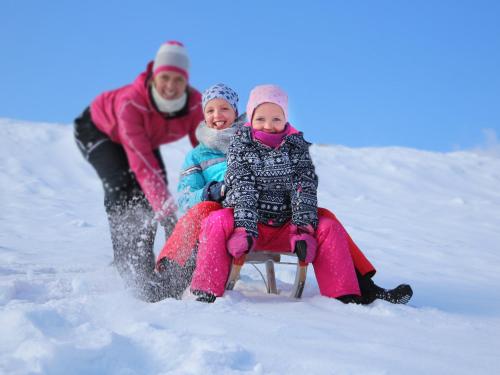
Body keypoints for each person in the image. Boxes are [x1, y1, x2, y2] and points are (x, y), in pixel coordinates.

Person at [189, 84, 413, 304]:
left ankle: (347, 294)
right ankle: (206, 290)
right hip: (245, 226)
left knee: (328, 226)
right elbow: (243, 188)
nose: (268, 125)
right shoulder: (240, 146)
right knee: (216, 220)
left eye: (276, 119)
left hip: (286, 227)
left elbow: (303, 188)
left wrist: (302, 231)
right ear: (250, 120)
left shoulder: (295, 147)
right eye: (260, 119)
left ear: (286, 119)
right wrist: (243, 230)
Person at [74, 41, 203, 302]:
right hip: (99, 130)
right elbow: (142, 165)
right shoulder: (131, 102)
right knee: (122, 185)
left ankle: (155, 263)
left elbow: (203, 148)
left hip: (143, 139)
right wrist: (167, 214)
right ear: (155, 75)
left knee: (157, 192)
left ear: (186, 81)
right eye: (164, 77)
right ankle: (129, 264)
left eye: (177, 80)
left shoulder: (194, 105)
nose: (170, 86)